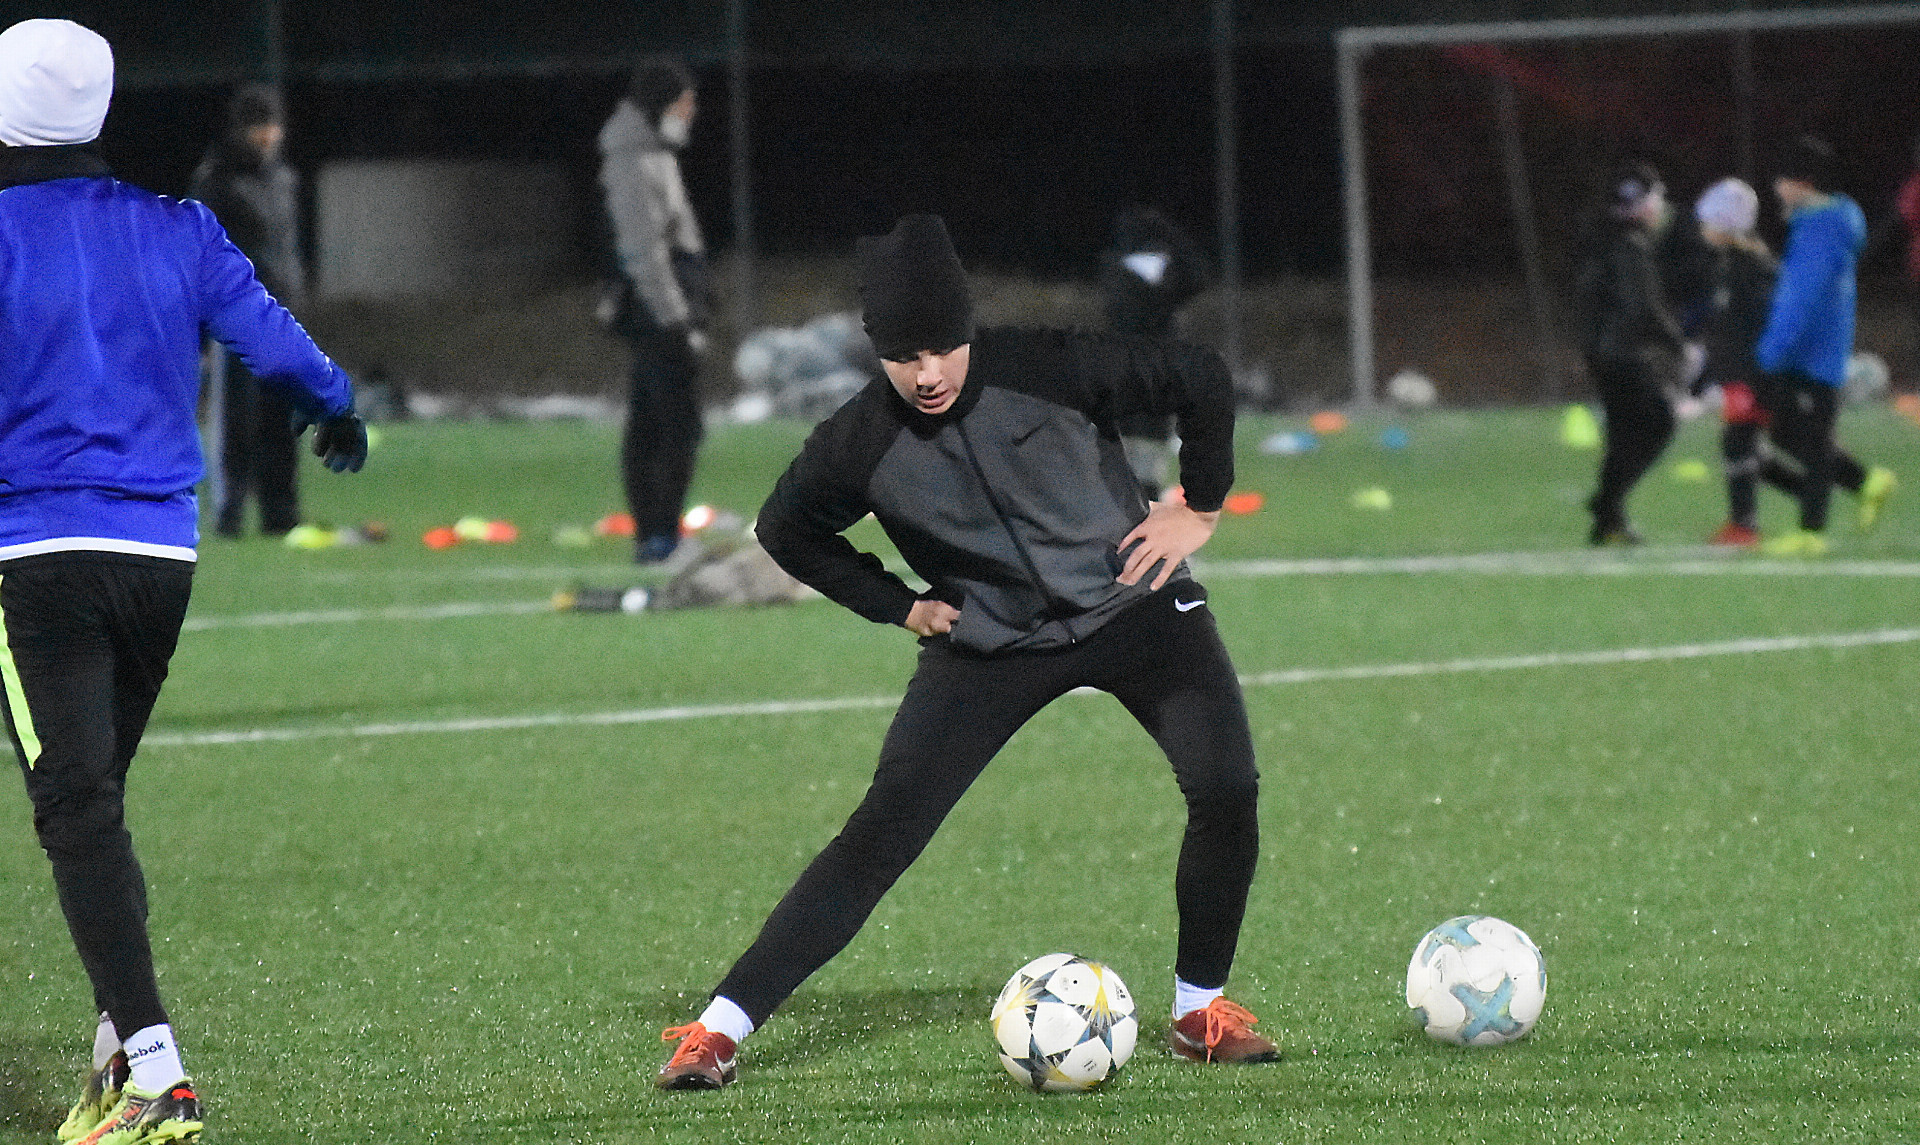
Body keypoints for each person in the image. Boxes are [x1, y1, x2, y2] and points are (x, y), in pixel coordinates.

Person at [655, 214, 1273, 1090]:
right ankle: (717, 1031)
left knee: (1226, 784)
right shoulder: (859, 440)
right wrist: (899, 604)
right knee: (882, 831)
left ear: (969, 328)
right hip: (990, 643)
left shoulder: (1049, 365)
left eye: (943, 346)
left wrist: (1199, 506)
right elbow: (784, 530)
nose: (928, 373)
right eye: (904, 355)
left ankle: (1199, 1012)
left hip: (1136, 605)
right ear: (876, 352)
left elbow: (1200, 376)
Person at [0, 19, 367, 1145]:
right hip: (160, 560)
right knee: (95, 808)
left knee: (76, 809)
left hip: (35, 557)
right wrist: (336, 407)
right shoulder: (178, 225)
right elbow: (284, 348)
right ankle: (116, 1055)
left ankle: (158, 1071)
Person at [1753, 135, 1896, 556]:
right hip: (1808, 348)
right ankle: (1866, 483)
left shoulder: (1822, 229)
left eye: (1782, 179)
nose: (1777, 187)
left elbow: (1802, 297)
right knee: (1787, 433)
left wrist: (1773, 348)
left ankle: (1811, 532)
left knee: (1812, 440)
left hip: (1813, 352)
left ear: (1803, 182)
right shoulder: (1815, 223)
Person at [597, 55, 712, 564]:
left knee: (655, 422)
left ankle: (658, 535)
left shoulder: (649, 153)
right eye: (683, 104)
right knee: (673, 426)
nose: (689, 114)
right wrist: (675, 317)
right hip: (655, 312)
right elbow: (644, 250)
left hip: (658, 310)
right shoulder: (633, 160)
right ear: (660, 103)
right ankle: (661, 536)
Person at [190, 83, 306, 539]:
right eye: (259, 127)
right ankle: (229, 512)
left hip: (281, 314)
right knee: (235, 418)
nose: (268, 136)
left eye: (272, 126)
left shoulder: (284, 179)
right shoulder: (216, 180)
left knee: (283, 414)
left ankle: (282, 513)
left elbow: (287, 249)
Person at [1574, 163, 1692, 545]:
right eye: (1656, 199)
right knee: (1660, 422)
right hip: (1624, 354)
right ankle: (1607, 503)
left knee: (1623, 436)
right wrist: (1678, 344)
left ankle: (1609, 520)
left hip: (1601, 352)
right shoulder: (1631, 246)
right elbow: (1643, 308)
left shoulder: (1602, 239)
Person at [1098, 206, 1214, 499]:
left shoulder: (1114, 268)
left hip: (1126, 365)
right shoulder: (1167, 270)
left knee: (1130, 438)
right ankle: (1146, 497)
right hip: (1158, 365)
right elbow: (1199, 276)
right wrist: (1172, 235)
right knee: (1150, 438)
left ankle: (1133, 499)